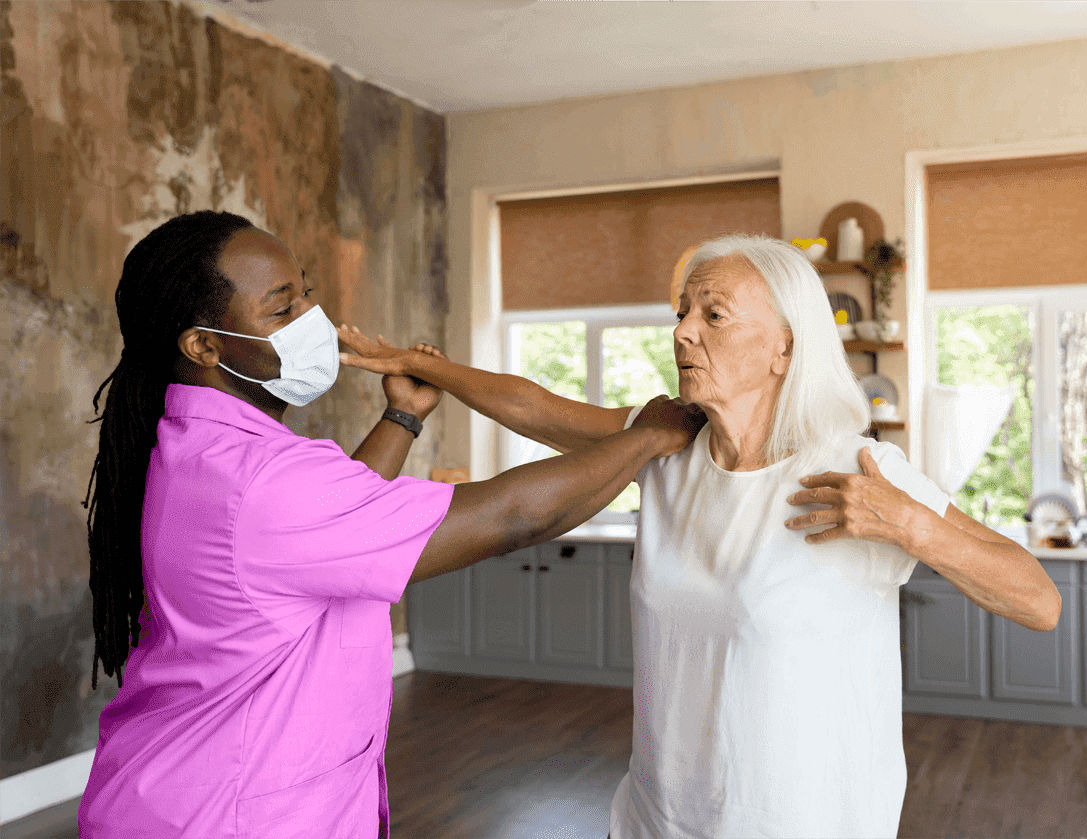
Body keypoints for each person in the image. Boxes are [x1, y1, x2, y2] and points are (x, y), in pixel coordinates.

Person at [337, 233, 1061, 838]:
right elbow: (536, 407)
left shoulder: (857, 468)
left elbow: (1038, 598)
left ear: (785, 348)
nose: (682, 330)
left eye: (714, 314)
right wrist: (422, 367)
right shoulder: (666, 444)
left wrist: (913, 525)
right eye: (683, 311)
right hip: (658, 817)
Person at [77, 210, 704, 838]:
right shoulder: (264, 482)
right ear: (205, 345)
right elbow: (511, 516)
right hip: (228, 813)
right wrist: (645, 440)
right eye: (280, 311)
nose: (311, 324)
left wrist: (401, 418)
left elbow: (336, 524)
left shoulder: (203, 448)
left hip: (175, 787)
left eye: (305, 297)